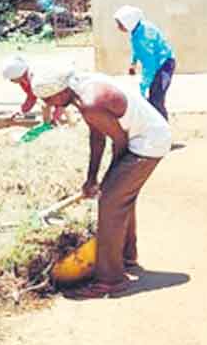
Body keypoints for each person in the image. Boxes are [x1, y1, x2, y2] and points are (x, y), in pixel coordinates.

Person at [33, 65, 172, 299]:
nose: (50, 105)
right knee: (120, 198)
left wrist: (107, 181)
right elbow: (97, 135)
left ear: (60, 91)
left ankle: (111, 280)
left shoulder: (91, 102)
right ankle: (125, 257)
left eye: (49, 99)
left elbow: (120, 142)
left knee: (110, 201)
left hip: (148, 143)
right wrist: (91, 178)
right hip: (144, 135)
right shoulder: (81, 90)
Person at [114, 6, 176, 121]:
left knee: (156, 98)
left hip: (164, 65)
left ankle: (163, 129)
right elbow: (137, 50)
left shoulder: (143, 37)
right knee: (152, 98)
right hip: (159, 62)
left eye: (120, 24)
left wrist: (142, 88)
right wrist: (133, 63)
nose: (118, 27)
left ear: (129, 22)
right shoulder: (139, 28)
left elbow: (150, 65)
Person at [1, 55, 61, 125]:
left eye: (11, 79)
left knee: (65, 111)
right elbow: (31, 96)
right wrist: (21, 110)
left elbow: (60, 99)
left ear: (17, 75)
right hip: (53, 90)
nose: (11, 81)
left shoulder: (36, 79)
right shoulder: (23, 80)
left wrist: (55, 116)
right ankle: (47, 125)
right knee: (44, 105)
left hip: (63, 89)